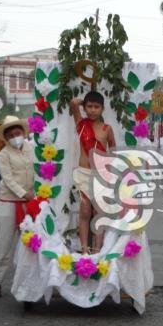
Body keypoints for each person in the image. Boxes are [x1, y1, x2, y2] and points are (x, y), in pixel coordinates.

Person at [0, 116, 34, 298]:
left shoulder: (33, 149)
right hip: (10, 201)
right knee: (4, 243)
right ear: (6, 138)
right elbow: (7, 179)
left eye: (18, 133)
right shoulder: (3, 155)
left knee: (30, 244)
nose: (15, 137)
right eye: (11, 135)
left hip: (31, 202)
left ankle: (28, 280)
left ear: (23, 133)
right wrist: (23, 193)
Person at [70, 92, 116, 254]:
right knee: (84, 210)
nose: (93, 110)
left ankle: (97, 250)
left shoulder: (107, 129)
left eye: (96, 107)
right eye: (90, 106)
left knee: (98, 212)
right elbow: (73, 103)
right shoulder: (81, 124)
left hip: (100, 174)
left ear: (103, 109)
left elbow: (113, 152)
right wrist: (83, 102)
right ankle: (84, 249)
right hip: (83, 173)